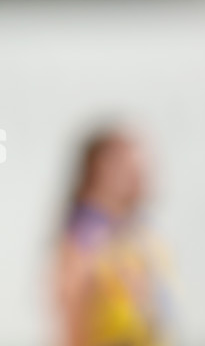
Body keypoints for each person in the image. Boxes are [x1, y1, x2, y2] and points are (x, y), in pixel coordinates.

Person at [54, 126, 173, 346]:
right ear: (101, 170)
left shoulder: (138, 235)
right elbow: (71, 325)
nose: (143, 177)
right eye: (133, 168)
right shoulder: (85, 238)